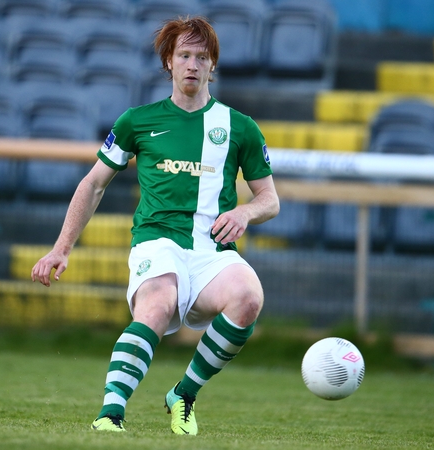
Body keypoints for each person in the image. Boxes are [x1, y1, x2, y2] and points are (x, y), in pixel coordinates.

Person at [31, 16, 279, 435]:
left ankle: (183, 394)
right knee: (158, 304)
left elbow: (269, 199)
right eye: (184, 55)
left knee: (248, 298)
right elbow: (93, 184)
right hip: (157, 241)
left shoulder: (241, 127)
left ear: (212, 66)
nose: (192, 65)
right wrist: (61, 248)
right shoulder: (137, 121)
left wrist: (244, 213)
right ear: (169, 61)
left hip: (212, 251)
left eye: (202, 57)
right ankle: (110, 413)